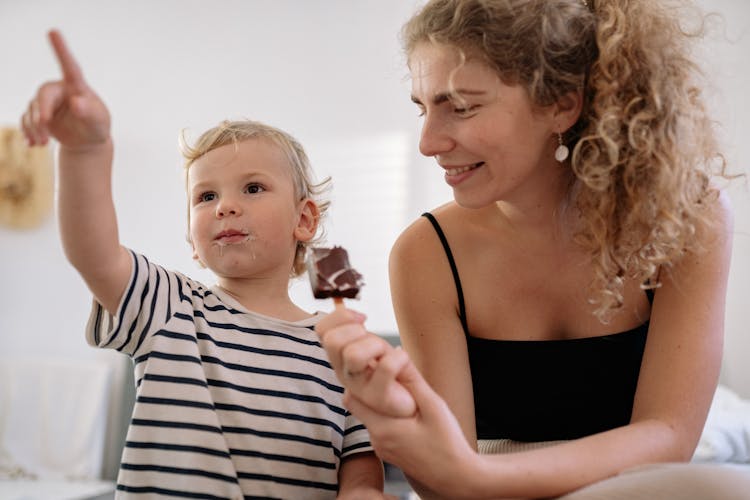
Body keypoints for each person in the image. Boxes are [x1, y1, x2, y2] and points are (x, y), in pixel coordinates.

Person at [316, 0, 750, 498]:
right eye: (422, 107)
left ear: (562, 103)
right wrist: (403, 421)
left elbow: (668, 437)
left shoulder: (685, 217)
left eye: (460, 106)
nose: (428, 142)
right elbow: (443, 483)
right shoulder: (427, 253)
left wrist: (474, 473)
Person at [21, 30, 388, 499]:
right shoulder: (170, 308)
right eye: (206, 196)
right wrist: (86, 150)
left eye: (252, 188)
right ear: (192, 242)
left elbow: (360, 475)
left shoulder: (344, 351)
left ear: (304, 218)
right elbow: (92, 253)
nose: (224, 207)